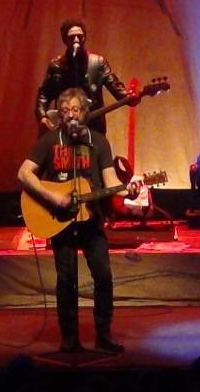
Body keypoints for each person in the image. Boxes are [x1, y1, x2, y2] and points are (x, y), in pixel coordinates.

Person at [18, 87, 139, 354]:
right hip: (59, 220)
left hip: (91, 220)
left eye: (75, 109)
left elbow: (110, 181)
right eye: (65, 111)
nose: (70, 115)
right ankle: (69, 338)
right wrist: (52, 197)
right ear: (59, 115)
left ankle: (103, 334)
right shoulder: (50, 141)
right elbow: (24, 173)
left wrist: (128, 191)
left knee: (103, 275)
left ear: (84, 112)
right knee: (67, 278)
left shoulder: (99, 142)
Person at [35, 19, 136, 134]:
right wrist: (42, 117)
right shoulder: (57, 66)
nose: (76, 40)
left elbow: (115, 86)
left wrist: (129, 97)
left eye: (80, 36)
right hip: (64, 127)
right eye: (72, 37)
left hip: (93, 128)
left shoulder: (98, 63)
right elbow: (44, 95)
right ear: (64, 40)